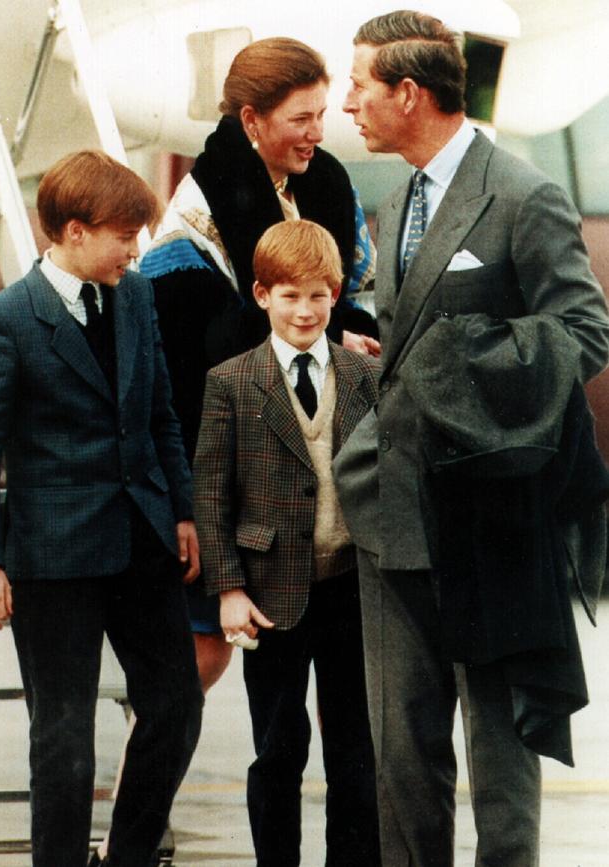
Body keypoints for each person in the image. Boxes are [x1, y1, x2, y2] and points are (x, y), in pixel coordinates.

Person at [335, 11, 609, 867]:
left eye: (359, 87)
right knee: (401, 753)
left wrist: (451, 360)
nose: (349, 105)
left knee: (498, 751)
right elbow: (412, 342)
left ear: (409, 93)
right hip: (390, 513)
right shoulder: (392, 202)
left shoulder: (526, 194)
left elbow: (585, 332)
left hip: (487, 520)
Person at [0, 150, 204, 867]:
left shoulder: (133, 296)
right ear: (71, 231)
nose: (136, 249)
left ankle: (124, 858)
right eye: (124, 234)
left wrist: (181, 512)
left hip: (144, 542)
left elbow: (160, 414)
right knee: (63, 736)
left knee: (176, 707)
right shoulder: (9, 319)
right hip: (53, 556)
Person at [139, 35, 380, 705]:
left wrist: (353, 339)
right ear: (251, 121)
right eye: (300, 118)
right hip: (230, 449)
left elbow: (347, 299)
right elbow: (187, 361)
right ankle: (143, 796)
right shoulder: (195, 216)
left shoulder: (327, 181)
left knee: (344, 672)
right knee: (205, 650)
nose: (317, 132)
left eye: (321, 114)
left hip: (325, 465)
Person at [193, 220, 381, 867]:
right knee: (278, 745)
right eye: (289, 295)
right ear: (262, 294)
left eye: (318, 295)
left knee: (356, 745)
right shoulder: (232, 382)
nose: (305, 310)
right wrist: (228, 588)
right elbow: (212, 495)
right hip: (271, 594)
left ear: (335, 295)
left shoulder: (363, 376)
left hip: (353, 587)